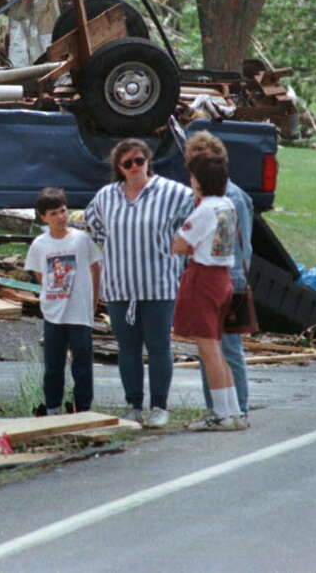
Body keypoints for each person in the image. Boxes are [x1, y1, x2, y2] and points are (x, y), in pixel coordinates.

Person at [85, 139, 192, 428]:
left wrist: (177, 255)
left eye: (139, 161)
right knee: (128, 349)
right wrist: (113, 248)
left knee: (159, 347)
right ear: (119, 168)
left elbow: (192, 223)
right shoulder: (107, 196)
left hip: (159, 284)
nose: (134, 167)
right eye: (127, 163)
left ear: (148, 161)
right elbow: (92, 224)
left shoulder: (173, 192)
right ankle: (133, 405)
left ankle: (160, 406)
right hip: (120, 285)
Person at [172, 147, 245, 430]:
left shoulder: (204, 210)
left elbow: (179, 245)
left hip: (203, 278)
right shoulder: (227, 204)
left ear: (198, 181)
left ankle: (220, 414)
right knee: (217, 348)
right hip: (223, 276)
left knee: (209, 350)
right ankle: (232, 409)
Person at [24, 187, 102, 415]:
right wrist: (52, 293)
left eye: (63, 211)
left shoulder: (81, 240)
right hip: (53, 312)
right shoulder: (40, 244)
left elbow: (95, 267)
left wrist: (94, 298)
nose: (60, 217)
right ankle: (52, 408)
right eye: (54, 213)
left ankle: (83, 409)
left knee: (82, 365)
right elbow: (40, 274)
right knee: (53, 365)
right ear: (43, 217)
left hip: (80, 311)